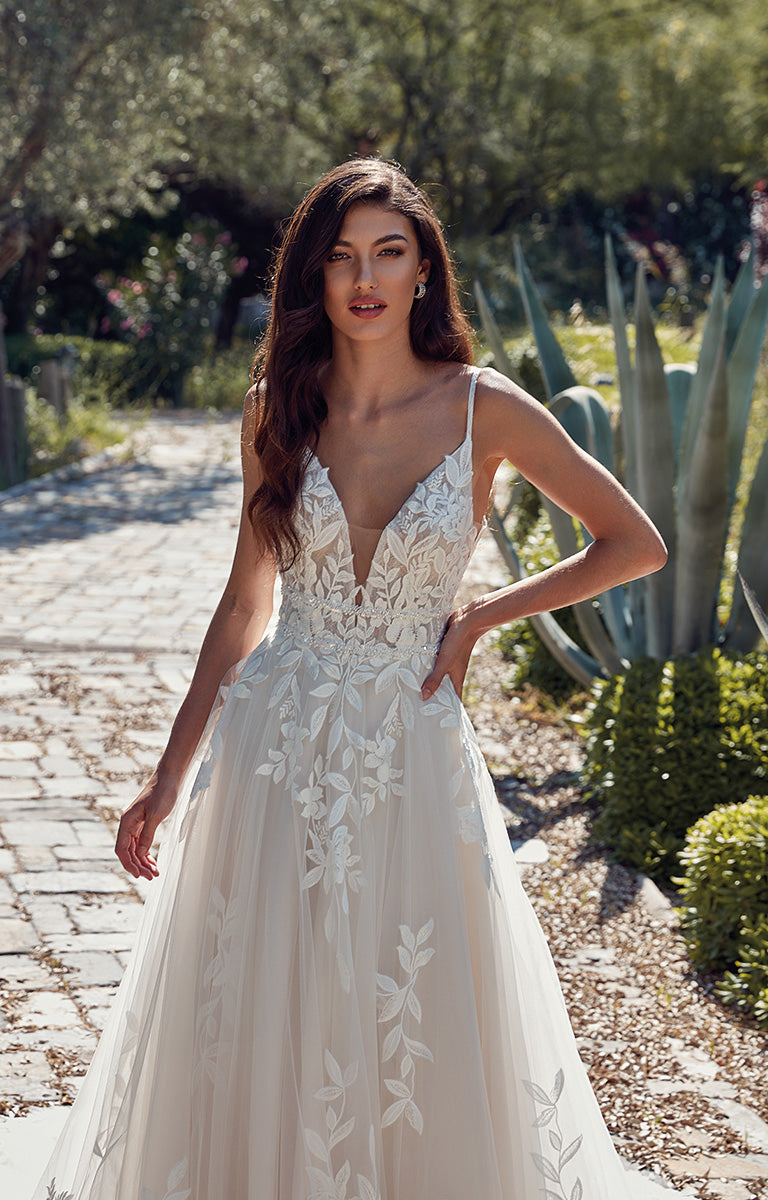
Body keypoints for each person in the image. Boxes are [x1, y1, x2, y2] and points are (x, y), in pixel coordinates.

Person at [33, 158, 669, 1200]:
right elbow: (244, 607)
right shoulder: (278, 409)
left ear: (424, 271)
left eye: (388, 252)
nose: (365, 279)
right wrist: (167, 774)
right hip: (275, 747)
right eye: (341, 257)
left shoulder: (484, 408)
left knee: (407, 1002)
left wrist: (480, 618)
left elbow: (634, 542)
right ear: (315, 277)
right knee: (266, 1002)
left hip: (412, 754)